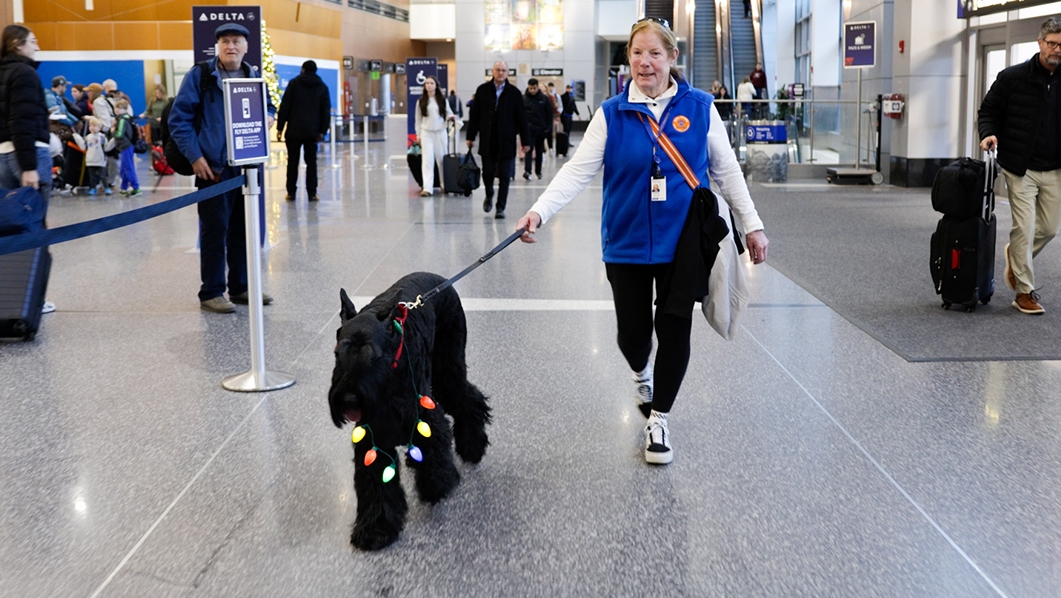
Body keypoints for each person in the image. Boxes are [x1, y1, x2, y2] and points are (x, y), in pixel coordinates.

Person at [514, 18, 768, 465]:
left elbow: (726, 172)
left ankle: (660, 418)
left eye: (654, 53)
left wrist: (753, 224)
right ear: (627, 59)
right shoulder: (611, 113)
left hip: (681, 243)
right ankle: (640, 370)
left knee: (674, 328)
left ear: (673, 57)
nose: (645, 62)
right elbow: (577, 171)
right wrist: (540, 211)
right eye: (636, 53)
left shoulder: (701, 107)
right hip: (625, 241)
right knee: (633, 336)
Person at [168, 22, 276, 313]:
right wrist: (195, 156)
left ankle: (240, 287)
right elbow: (179, 120)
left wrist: (268, 116)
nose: (230, 46)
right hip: (213, 168)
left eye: (236, 41)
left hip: (246, 167)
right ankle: (211, 292)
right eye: (225, 41)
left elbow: (270, 106)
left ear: (246, 47)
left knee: (242, 229)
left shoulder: (252, 74)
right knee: (215, 230)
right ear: (218, 46)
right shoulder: (201, 75)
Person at [979, 17, 1061, 315]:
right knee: (1024, 228)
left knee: (1049, 229)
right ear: (1040, 43)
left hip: (1055, 167)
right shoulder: (1012, 77)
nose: (1057, 49)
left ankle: (1015, 257)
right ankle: (1024, 292)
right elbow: (988, 110)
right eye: (1052, 43)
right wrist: (988, 133)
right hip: (1019, 166)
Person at [466, 60, 529, 219]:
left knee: (505, 175)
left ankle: (500, 207)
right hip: (488, 139)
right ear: (492, 72)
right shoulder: (482, 90)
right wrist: (470, 136)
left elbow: (522, 118)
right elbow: (475, 115)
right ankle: (489, 193)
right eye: (498, 70)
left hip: (507, 140)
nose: (501, 73)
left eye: (503, 70)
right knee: (487, 173)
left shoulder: (514, 93)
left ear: (507, 73)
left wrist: (526, 141)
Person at [0, 25, 52, 207]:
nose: (37, 47)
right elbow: (22, 120)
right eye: (33, 41)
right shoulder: (25, 72)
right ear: (17, 44)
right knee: (33, 222)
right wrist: (29, 167)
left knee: (11, 224)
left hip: (3, 156)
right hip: (28, 154)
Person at [276, 60, 331, 202]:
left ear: (303, 69)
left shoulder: (294, 84)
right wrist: (322, 131)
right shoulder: (322, 87)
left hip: (294, 130)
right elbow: (325, 111)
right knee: (311, 163)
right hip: (312, 132)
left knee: (292, 162)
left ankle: (291, 192)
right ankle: (312, 193)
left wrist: (280, 127)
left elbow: (285, 106)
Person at [413, 75, 455, 196]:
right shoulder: (421, 102)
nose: (429, 85)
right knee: (427, 160)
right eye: (427, 83)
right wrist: (418, 135)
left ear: (436, 85)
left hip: (440, 132)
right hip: (426, 133)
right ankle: (427, 188)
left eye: (431, 83)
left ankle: (444, 185)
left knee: (441, 159)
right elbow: (418, 120)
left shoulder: (442, 100)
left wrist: (450, 118)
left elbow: (449, 113)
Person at [522, 78, 553, 180]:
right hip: (528, 130)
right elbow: (519, 114)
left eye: (534, 88)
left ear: (537, 87)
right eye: (530, 88)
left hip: (540, 129)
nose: (532, 91)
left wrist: (547, 128)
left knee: (539, 151)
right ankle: (527, 171)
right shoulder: (524, 99)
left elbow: (549, 114)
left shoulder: (544, 99)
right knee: (528, 150)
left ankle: (538, 171)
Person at [111, 98, 140, 196]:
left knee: (128, 167)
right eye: (116, 108)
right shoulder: (124, 118)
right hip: (125, 146)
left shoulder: (122, 119)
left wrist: (113, 131)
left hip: (126, 145)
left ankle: (135, 187)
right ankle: (124, 187)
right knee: (124, 167)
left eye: (120, 108)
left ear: (125, 109)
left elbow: (119, 134)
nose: (117, 110)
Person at [73, 116, 108, 195]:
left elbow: (106, 147)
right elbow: (83, 146)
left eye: (94, 126)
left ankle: (106, 187)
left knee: (103, 175)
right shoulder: (88, 137)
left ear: (99, 127)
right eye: (90, 126)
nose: (92, 128)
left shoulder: (102, 137)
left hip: (100, 160)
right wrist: (77, 137)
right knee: (92, 177)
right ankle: (92, 188)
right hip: (90, 160)